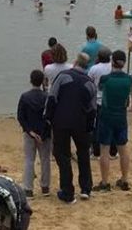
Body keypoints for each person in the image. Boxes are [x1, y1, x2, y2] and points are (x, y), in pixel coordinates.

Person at [44, 53, 97, 204]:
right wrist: (89, 126)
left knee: (62, 155)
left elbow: (52, 97)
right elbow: (93, 109)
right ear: (86, 66)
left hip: (61, 122)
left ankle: (67, 191)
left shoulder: (63, 76)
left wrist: (48, 117)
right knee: (83, 154)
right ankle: (86, 188)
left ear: (75, 62)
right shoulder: (90, 83)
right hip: (81, 122)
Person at [94, 50, 132, 192]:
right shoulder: (129, 79)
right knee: (123, 149)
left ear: (112, 62)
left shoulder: (105, 79)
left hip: (106, 116)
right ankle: (124, 179)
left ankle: (104, 182)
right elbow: (128, 97)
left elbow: (100, 89)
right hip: (121, 117)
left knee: (105, 150)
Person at [17, 70, 51, 198]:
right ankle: (45, 187)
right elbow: (49, 117)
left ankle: (28, 188)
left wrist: (30, 131)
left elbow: (21, 117)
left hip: (29, 132)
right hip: (44, 134)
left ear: (31, 80)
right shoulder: (47, 97)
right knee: (45, 160)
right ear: (42, 81)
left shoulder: (25, 97)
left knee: (29, 160)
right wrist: (42, 134)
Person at [88, 47, 117, 159]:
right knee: (112, 126)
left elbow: (89, 83)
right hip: (112, 101)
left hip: (98, 102)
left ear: (98, 57)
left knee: (97, 127)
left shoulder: (94, 69)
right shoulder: (113, 68)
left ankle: (96, 152)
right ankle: (113, 152)